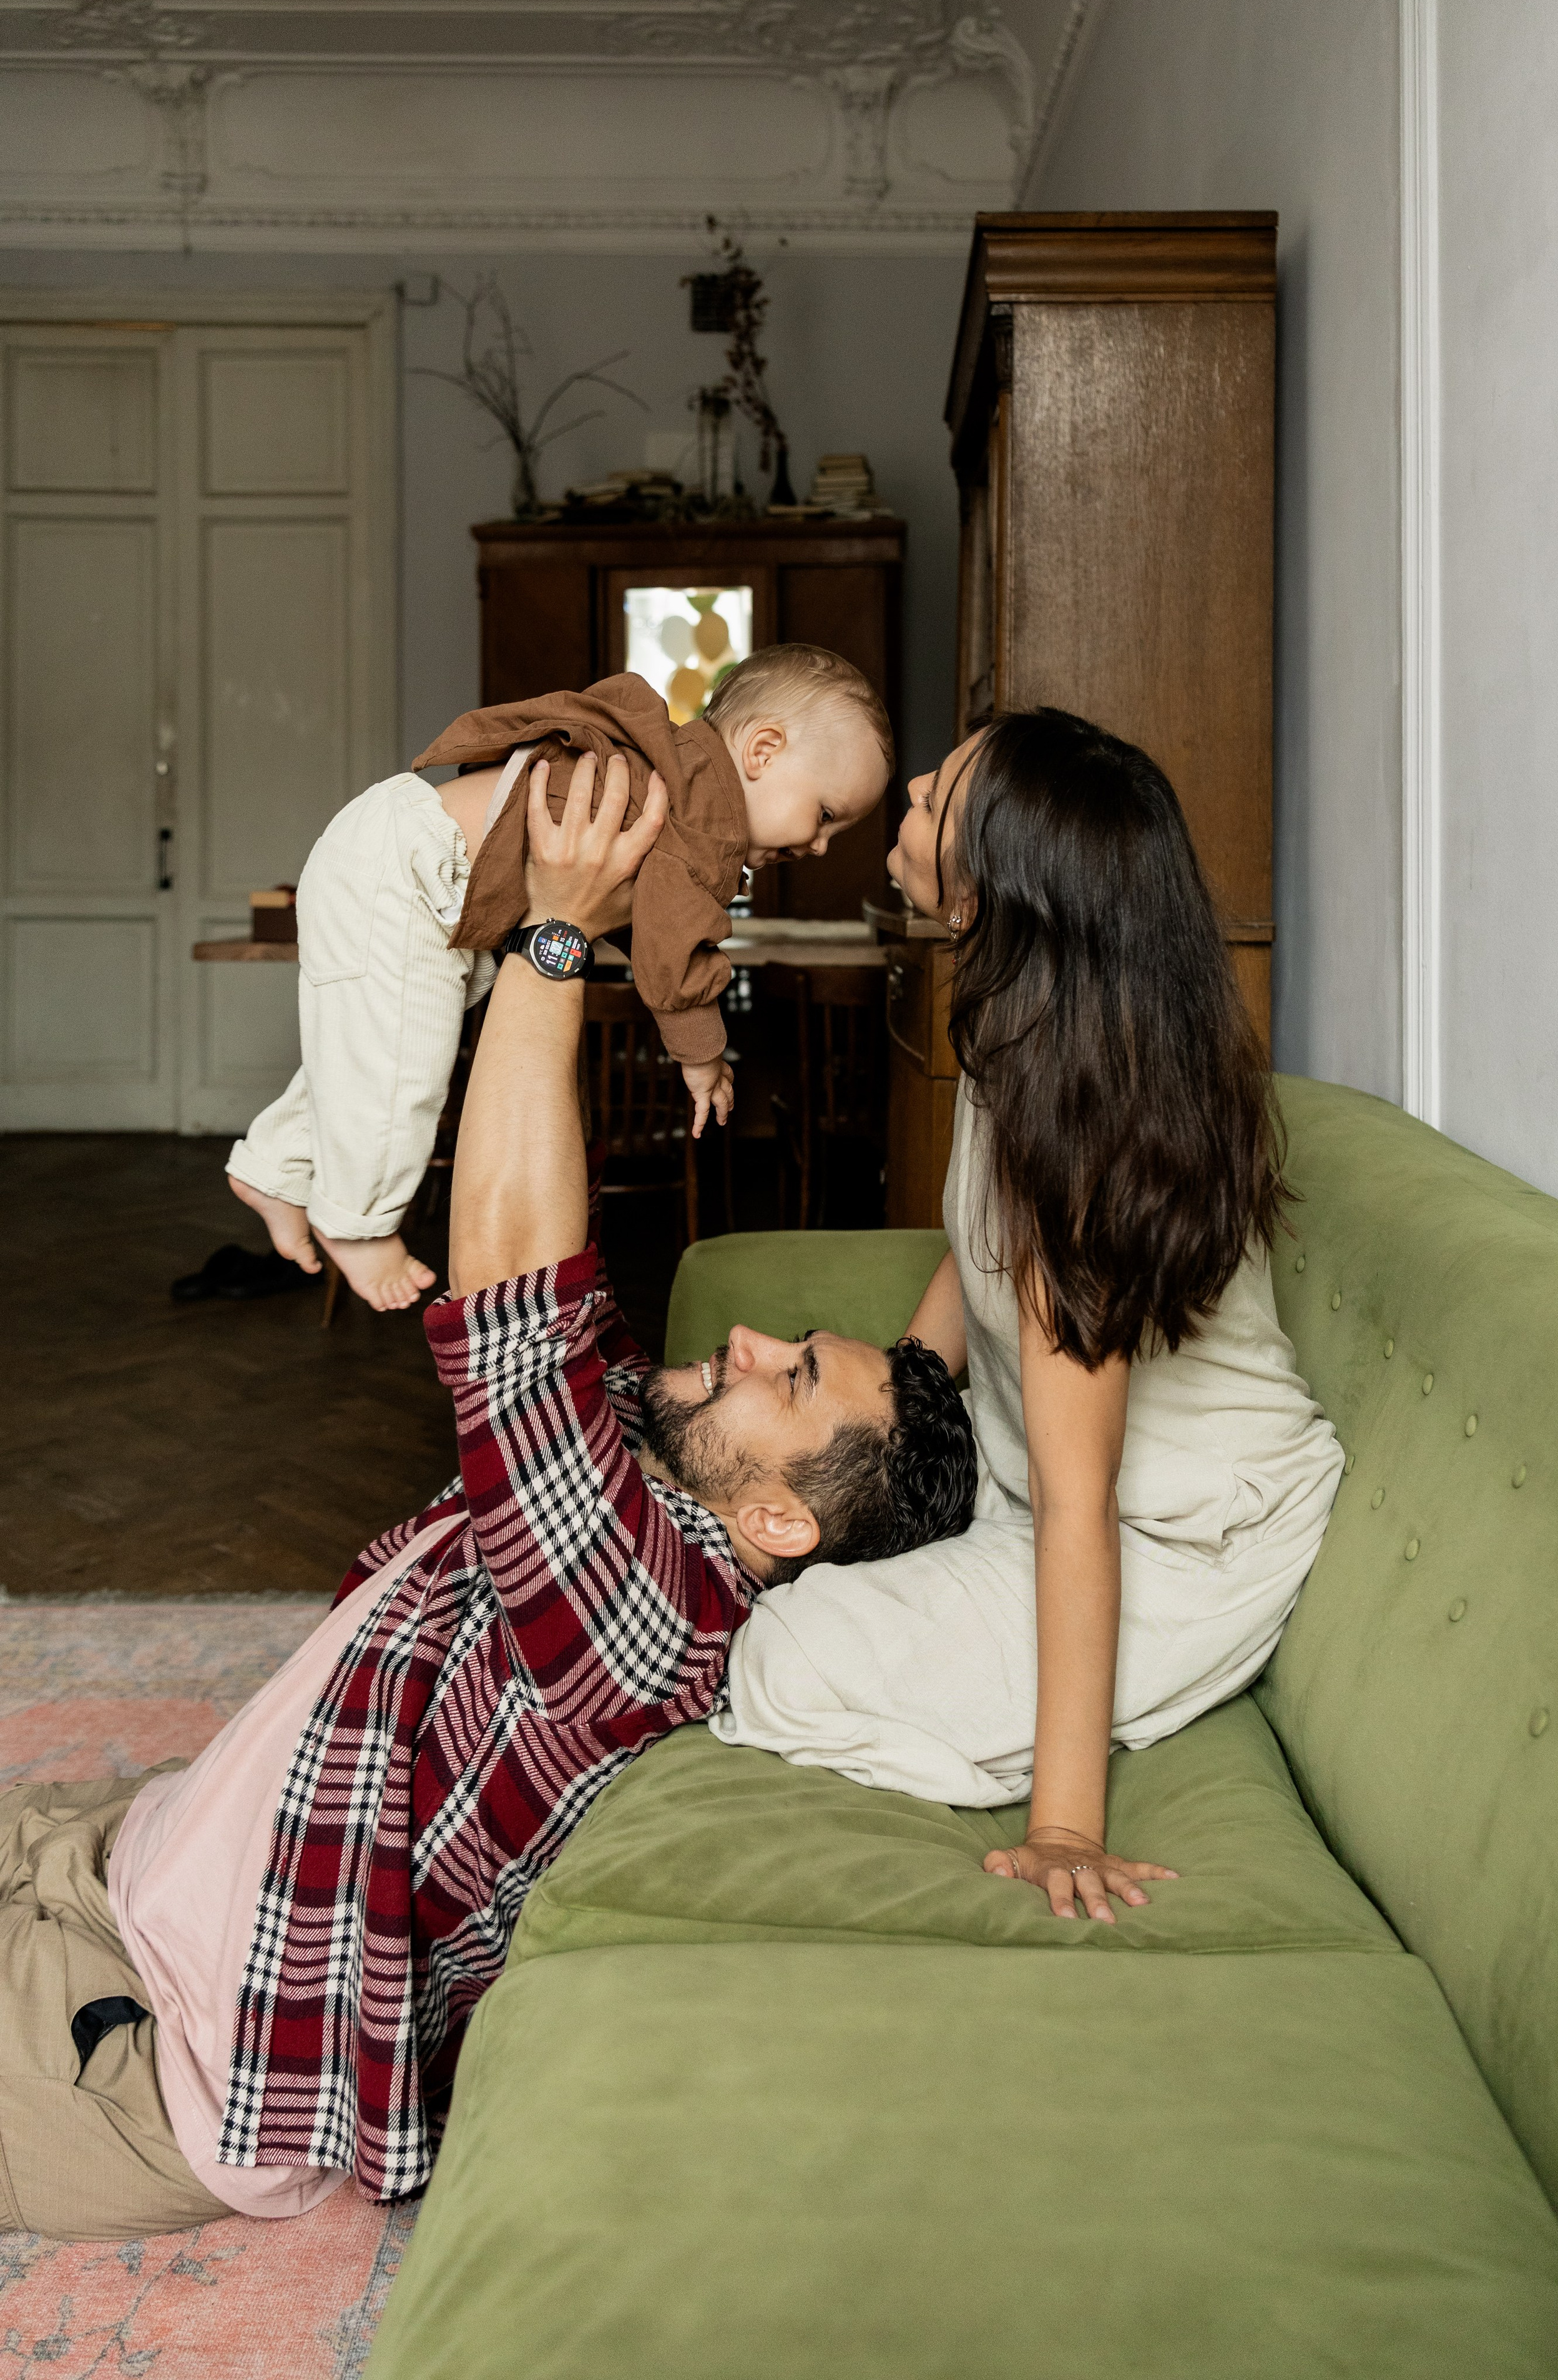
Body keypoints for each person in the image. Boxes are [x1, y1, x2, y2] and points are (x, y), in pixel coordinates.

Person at [0, 749, 974, 2242]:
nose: (752, 1340)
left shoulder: (640, 1610)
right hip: (118, 1851)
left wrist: (555, 932)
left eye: (788, 1379)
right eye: (793, 1342)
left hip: (134, 2046)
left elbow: (517, 1274)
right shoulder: (654, 1482)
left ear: (780, 1524)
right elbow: (933, 1313)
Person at [866, 707, 1345, 1924]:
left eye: (941, 797)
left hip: (1178, 1535)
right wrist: (888, 1431)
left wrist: (1062, 1824)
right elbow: (969, 1259)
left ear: (981, 899)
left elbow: (1086, 1503)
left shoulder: (1073, 1131)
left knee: (784, 1661)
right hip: (1044, 1487)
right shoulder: (1023, 1029)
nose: (913, 782)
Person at [226, 644, 893, 1311]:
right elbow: (673, 945)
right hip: (411, 871)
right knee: (404, 1067)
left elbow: (639, 923)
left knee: (371, 1049)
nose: (818, 847)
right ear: (763, 751)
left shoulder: (680, 783)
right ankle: (359, 1225)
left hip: (394, 850)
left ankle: (276, 1169)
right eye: (827, 815)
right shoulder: (703, 817)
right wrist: (702, 1053)